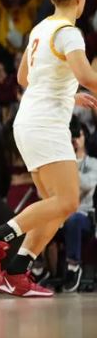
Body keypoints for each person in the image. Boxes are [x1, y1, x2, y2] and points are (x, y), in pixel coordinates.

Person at [0, 0, 97, 298]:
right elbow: (86, 75)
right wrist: (78, 87)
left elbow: (26, 77)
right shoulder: (70, 33)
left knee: (53, 204)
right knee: (67, 202)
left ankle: (17, 271)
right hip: (44, 125)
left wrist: (68, 95)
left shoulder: (41, 29)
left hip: (29, 120)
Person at [61, 118, 97, 293]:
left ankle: (73, 267)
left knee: (74, 219)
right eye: (71, 136)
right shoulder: (61, 162)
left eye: (78, 135)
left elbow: (89, 183)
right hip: (60, 213)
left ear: (85, 137)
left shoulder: (93, 163)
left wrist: (69, 173)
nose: (75, 139)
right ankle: (37, 269)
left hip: (84, 215)